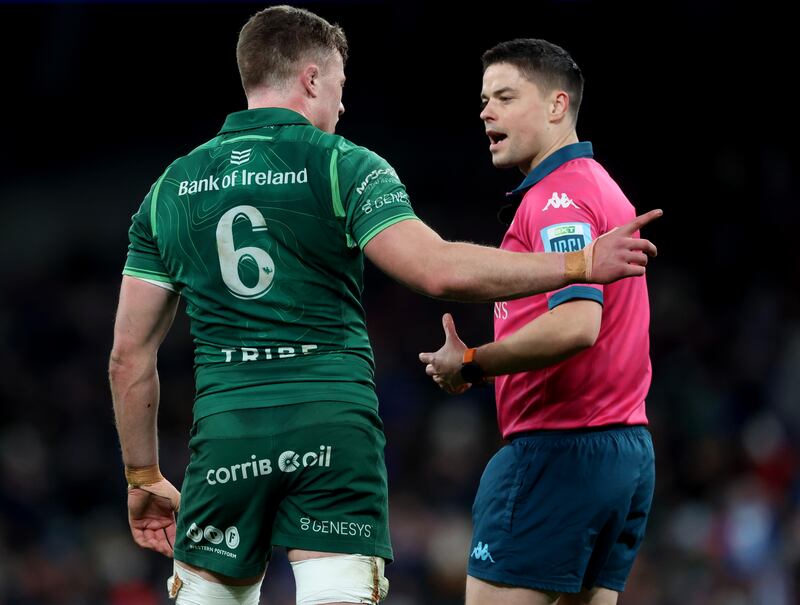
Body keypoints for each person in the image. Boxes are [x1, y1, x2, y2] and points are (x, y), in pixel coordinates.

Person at [109, 8, 660, 605]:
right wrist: (579, 266)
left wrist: (142, 476)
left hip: (225, 435)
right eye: (341, 89)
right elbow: (437, 269)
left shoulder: (168, 190)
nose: (341, 109)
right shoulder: (343, 164)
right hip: (332, 426)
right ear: (313, 79)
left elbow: (127, 358)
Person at [419, 39, 656, 605]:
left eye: (504, 96)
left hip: (559, 451)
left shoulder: (558, 198)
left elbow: (577, 325)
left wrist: (472, 364)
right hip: (625, 451)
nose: (486, 111)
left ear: (556, 106)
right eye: (483, 99)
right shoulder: (601, 186)